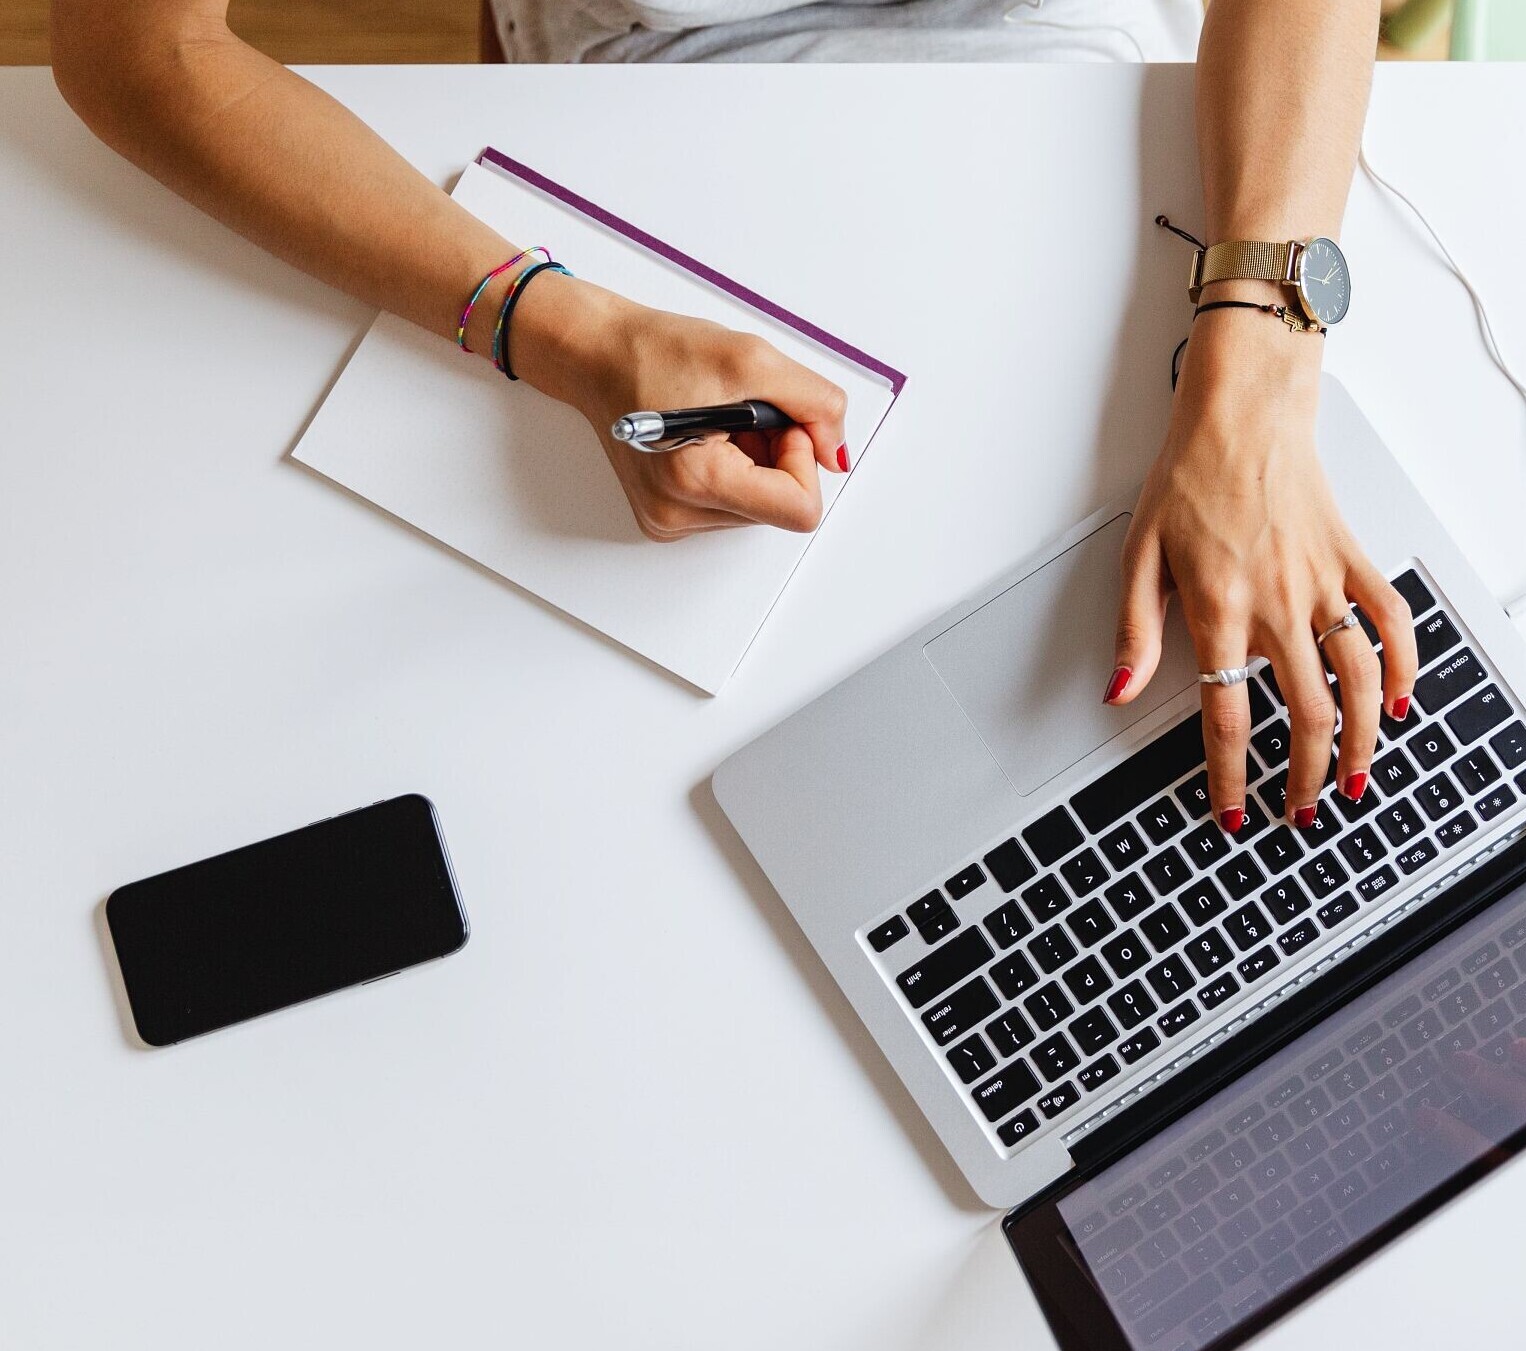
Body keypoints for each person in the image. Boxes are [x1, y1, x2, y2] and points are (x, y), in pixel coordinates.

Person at [50, 0, 1419, 830]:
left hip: (1158, 172)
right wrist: (568, 333)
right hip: (651, 168)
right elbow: (134, 51)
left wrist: (1256, 366)